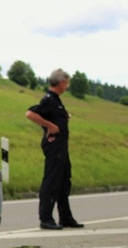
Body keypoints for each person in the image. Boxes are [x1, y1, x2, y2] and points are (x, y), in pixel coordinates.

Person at [25, 69, 84, 230]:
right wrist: (50, 126)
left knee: (64, 181)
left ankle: (65, 217)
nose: (67, 86)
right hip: (54, 146)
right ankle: (45, 218)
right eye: (67, 82)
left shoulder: (56, 101)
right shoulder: (49, 99)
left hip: (61, 147)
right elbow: (30, 114)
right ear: (61, 82)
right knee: (52, 181)